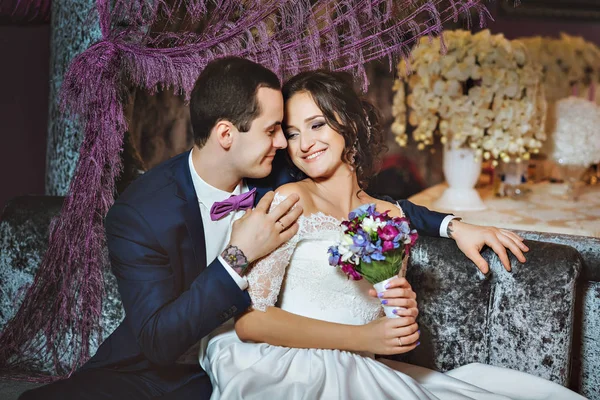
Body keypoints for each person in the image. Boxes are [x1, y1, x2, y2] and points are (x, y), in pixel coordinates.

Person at [19, 58, 421, 400]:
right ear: (227, 134)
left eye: (290, 129)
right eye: (275, 129)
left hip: (259, 360)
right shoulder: (140, 213)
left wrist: (452, 224)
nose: (286, 143)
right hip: (165, 365)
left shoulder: (277, 172)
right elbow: (160, 340)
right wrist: (236, 256)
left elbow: (351, 201)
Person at [200, 70, 584, 399]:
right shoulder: (289, 200)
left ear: (348, 123)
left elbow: (388, 318)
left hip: (364, 369)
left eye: (317, 125)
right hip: (289, 367)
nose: (304, 144)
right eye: (292, 133)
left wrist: (403, 311)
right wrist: (364, 339)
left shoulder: (390, 217)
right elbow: (251, 323)